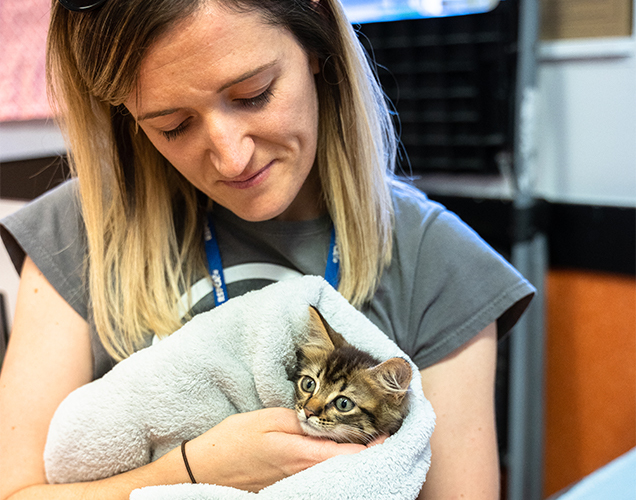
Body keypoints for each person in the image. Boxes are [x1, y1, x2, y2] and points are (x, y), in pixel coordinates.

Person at [0, 0, 535, 498]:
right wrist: (192, 470)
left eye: (253, 94)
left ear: (318, 45)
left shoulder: (438, 263)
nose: (232, 160)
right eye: (173, 126)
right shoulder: (80, 229)